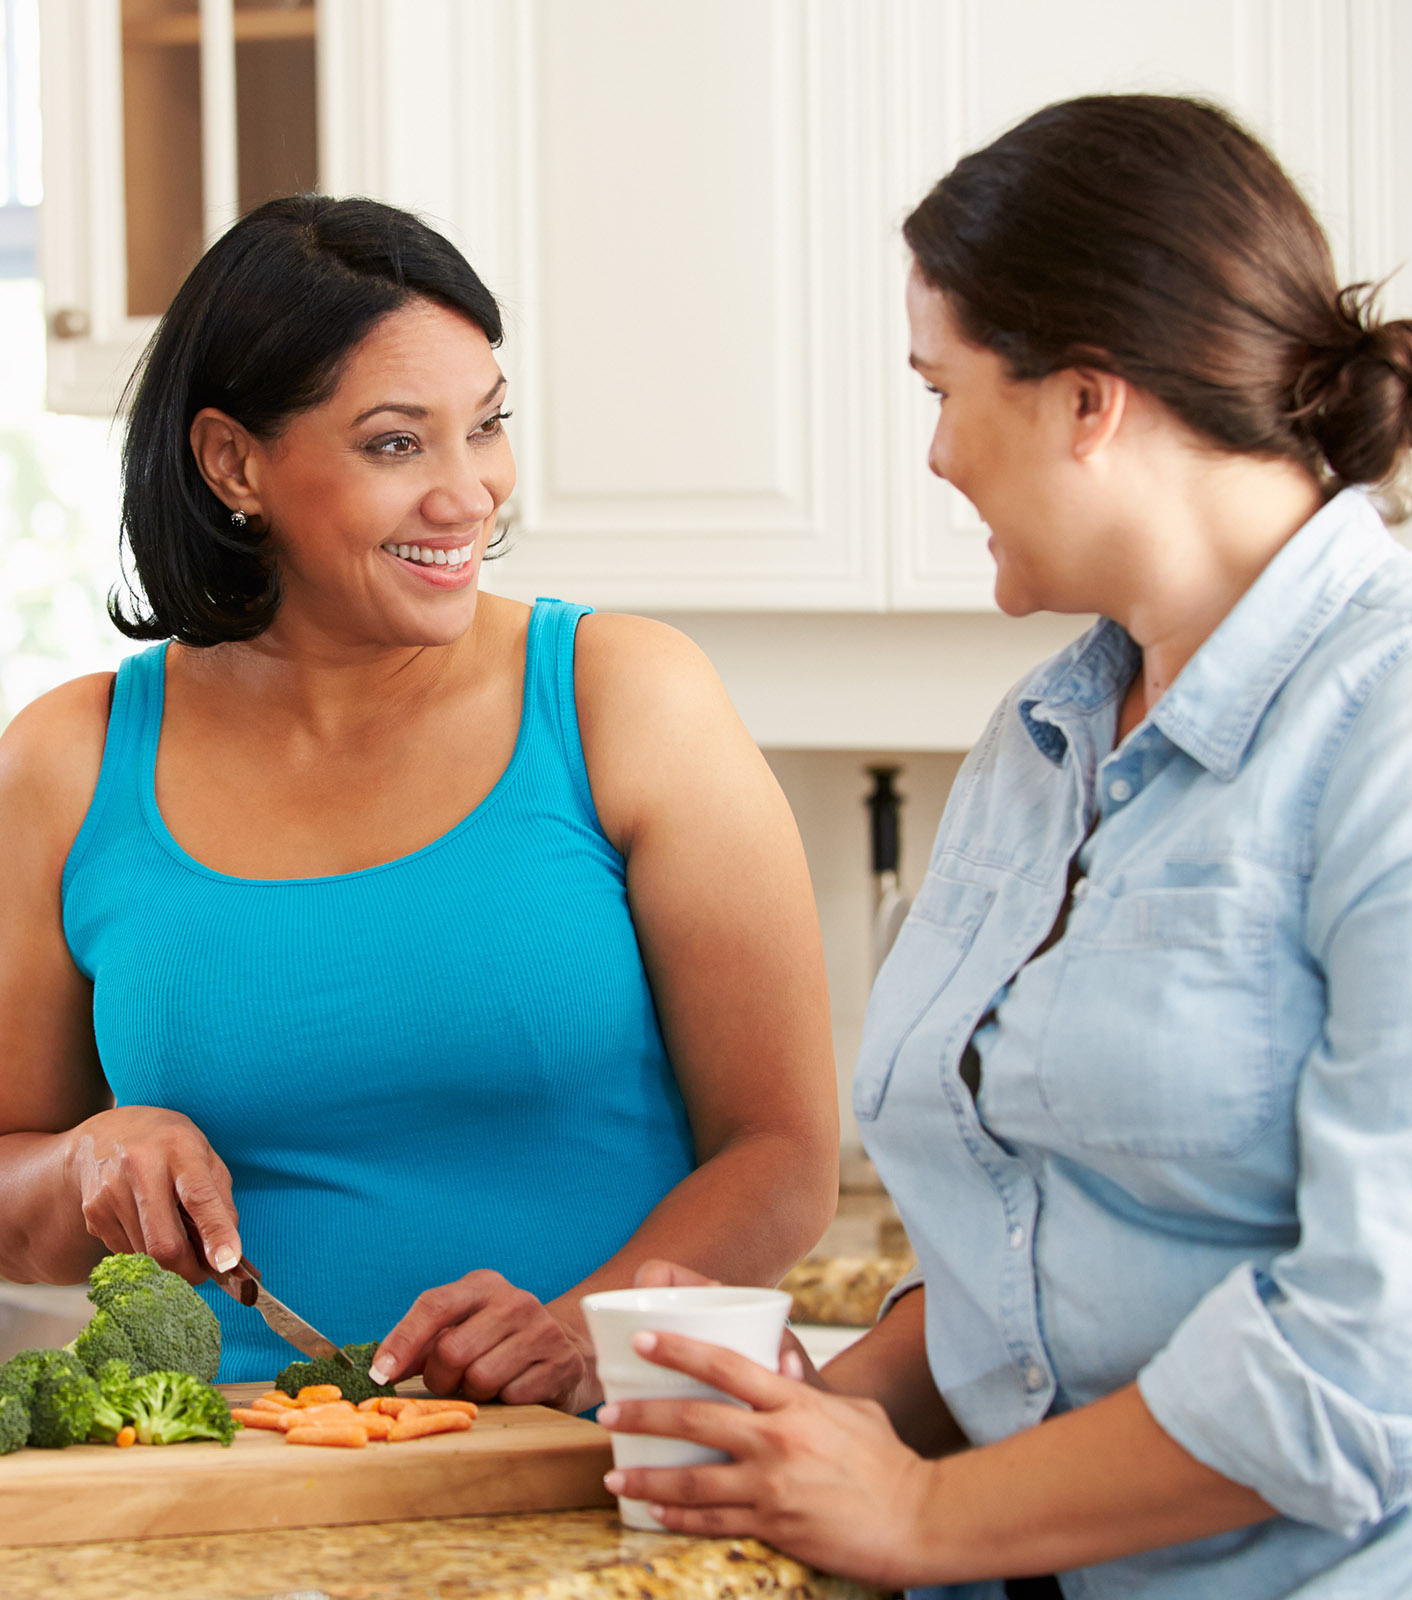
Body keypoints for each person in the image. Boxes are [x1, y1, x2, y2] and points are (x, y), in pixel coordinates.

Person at [594, 95, 1412, 1598]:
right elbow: (1028, 1249)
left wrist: (925, 1520)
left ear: (1088, 398)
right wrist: (810, 1419)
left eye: (943, 388)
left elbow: (1393, 1351)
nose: (934, 454)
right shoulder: (1046, 735)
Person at [0, 194, 839, 1404]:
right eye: (397, 443)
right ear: (234, 461)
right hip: (233, 1486)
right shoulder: (69, 762)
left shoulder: (622, 702)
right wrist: (87, 1157)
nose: (469, 494)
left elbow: (784, 1157)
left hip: (586, 1461)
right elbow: (16, 1213)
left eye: (486, 428)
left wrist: (575, 1327)